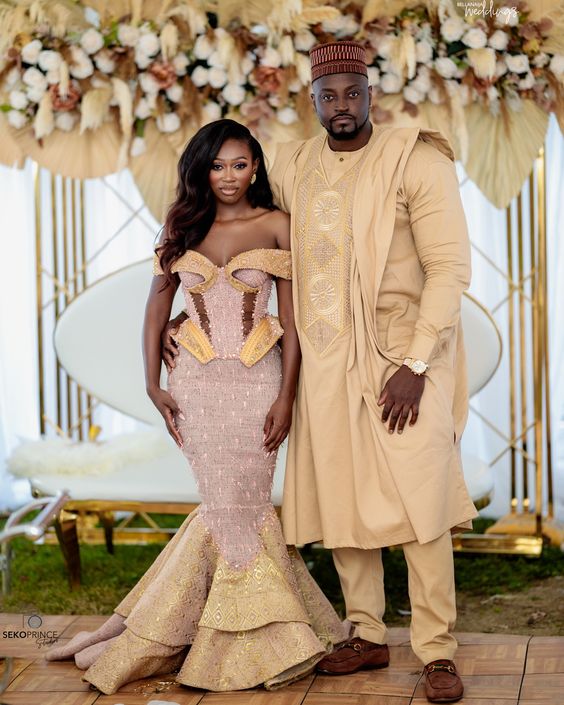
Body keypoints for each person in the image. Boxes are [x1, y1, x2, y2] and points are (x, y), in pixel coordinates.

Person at [160, 41, 477, 704]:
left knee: (421, 499)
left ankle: (438, 648)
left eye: (351, 93)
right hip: (324, 365)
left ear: (370, 94)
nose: (340, 105)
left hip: (400, 358)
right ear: (312, 100)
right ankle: (365, 631)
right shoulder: (301, 163)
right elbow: (255, 242)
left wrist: (417, 362)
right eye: (327, 95)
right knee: (342, 496)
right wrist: (186, 310)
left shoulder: (414, 156)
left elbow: (449, 268)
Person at [44, 119, 348, 694]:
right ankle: (164, 632)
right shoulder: (182, 224)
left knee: (241, 507)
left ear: (256, 166)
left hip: (259, 381)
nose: (229, 176)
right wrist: (153, 383)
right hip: (197, 388)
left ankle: (137, 630)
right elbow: (155, 308)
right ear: (200, 170)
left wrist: (286, 395)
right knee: (222, 506)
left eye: (239, 164)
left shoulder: (279, 225)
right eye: (217, 165)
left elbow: (297, 322)